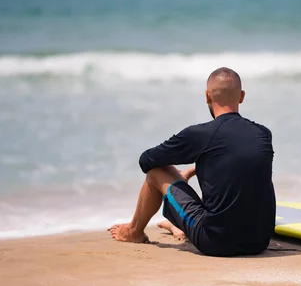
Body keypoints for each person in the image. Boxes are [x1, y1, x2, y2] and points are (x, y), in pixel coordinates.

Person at [109, 67, 276, 257]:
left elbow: (146, 161)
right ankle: (177, 226)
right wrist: (196, 167)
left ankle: (133, 231)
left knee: (156, 171)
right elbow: (235, 163)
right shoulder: (262, 134)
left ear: (207, 96)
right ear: (242, 96)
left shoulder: (200, 134)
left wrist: (187, 162)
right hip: (259, 241)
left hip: (216, 242)